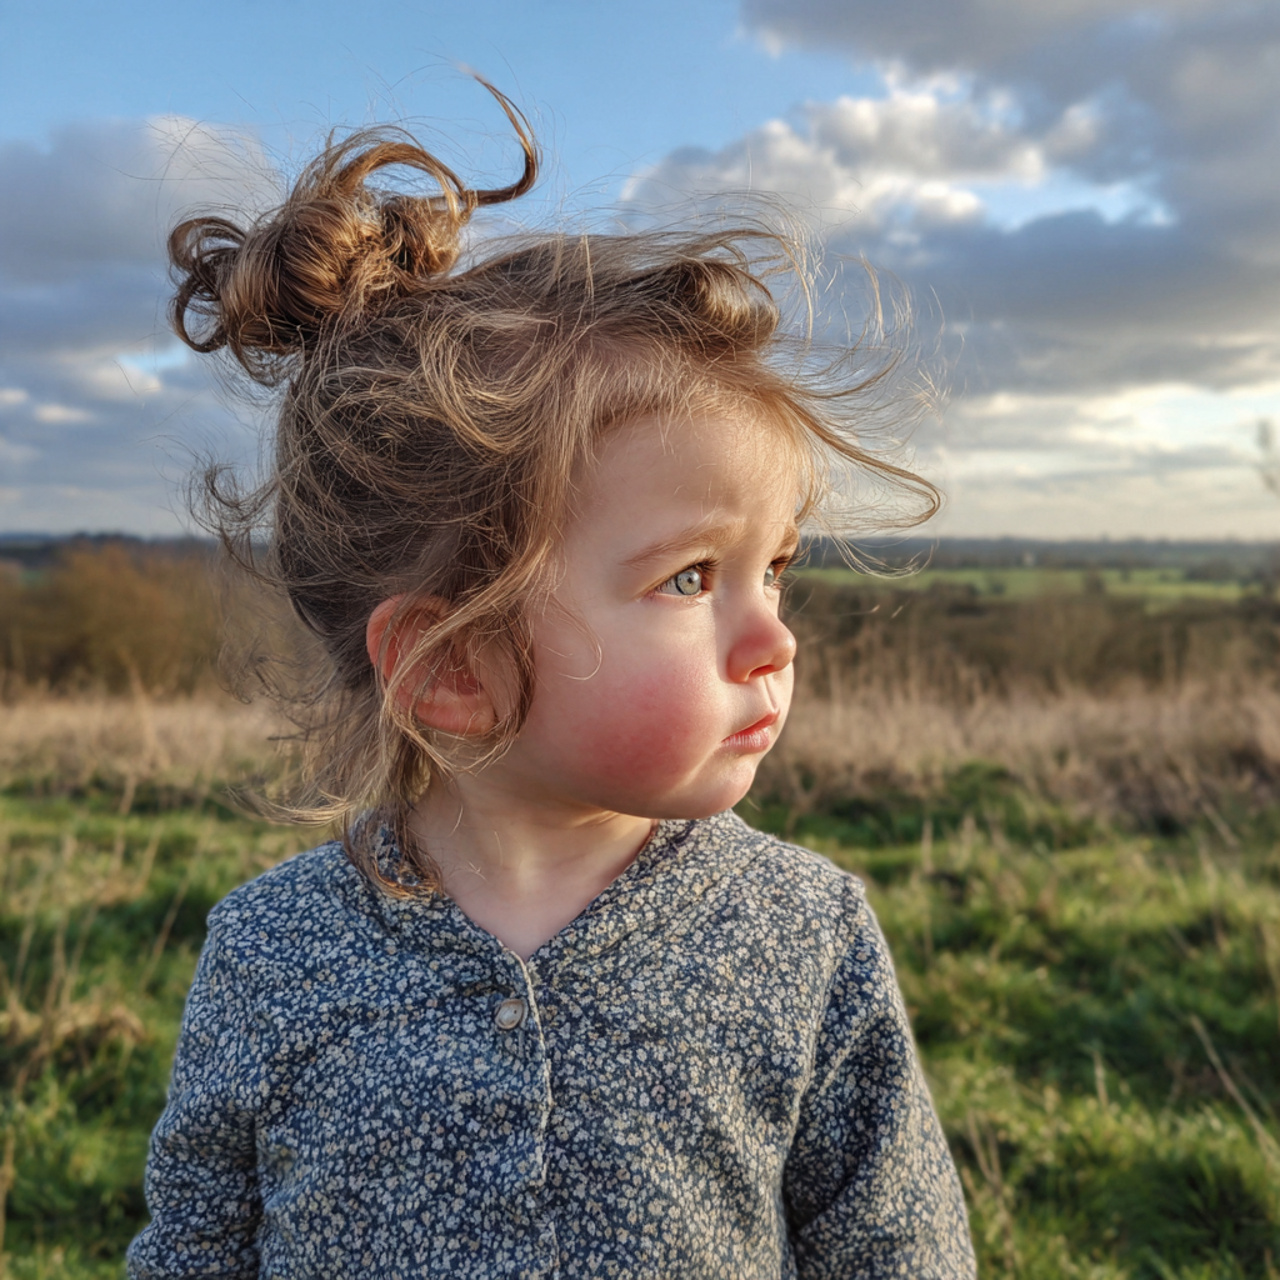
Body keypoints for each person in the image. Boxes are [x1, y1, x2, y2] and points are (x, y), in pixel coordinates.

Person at [127, 83, 976, 1279]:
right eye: (690, 579)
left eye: (771, 569)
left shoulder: (804, 936)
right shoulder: (272, 950)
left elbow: (899, 1251)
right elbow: (196, 1248)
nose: (773, 637)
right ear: (453, 667)